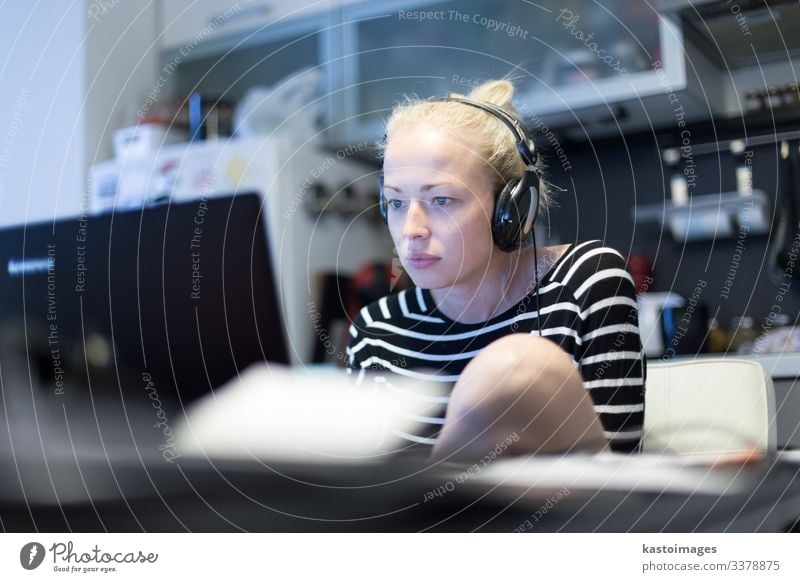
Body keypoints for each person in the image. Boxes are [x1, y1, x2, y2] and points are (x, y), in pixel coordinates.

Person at [346, 79, 645, 462]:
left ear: (513, 209)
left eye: (441, 199)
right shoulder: (377, 331)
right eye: (397, 203)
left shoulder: (586, 282)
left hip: (568, 521)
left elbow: (618, 483)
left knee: (514, 367)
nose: (411, 230)